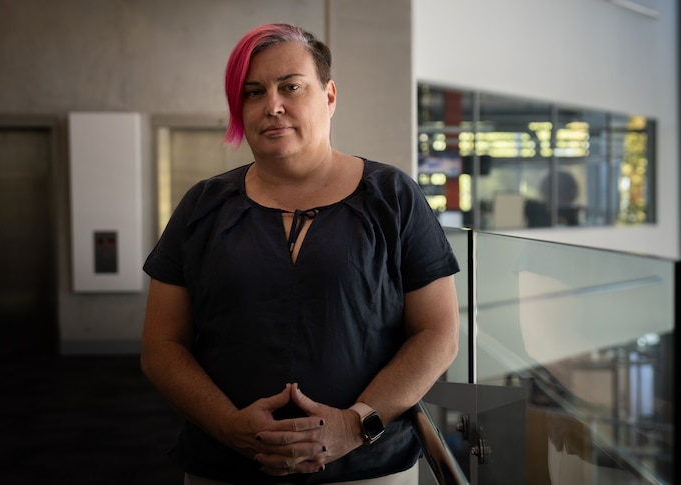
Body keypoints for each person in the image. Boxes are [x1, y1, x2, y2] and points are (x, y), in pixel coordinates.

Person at [140, 23, 460, 485]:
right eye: (253, 92)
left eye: (290, 86)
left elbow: (438, 333)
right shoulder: (204, 205)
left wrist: (356, 425)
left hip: (367, 470)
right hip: (228, 468)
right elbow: (160, 347)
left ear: (329, 96)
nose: (272, 106)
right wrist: (230, 429)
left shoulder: (392, 196)